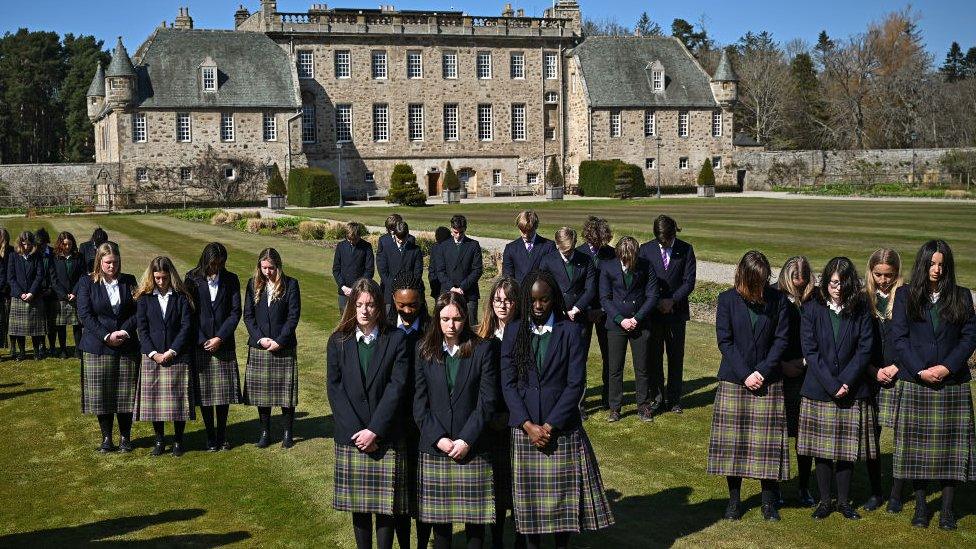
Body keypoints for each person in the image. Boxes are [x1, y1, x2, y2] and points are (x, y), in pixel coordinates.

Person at [500, 270, 614, 548]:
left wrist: (548, 426)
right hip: (525, 431)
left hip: (560, 430)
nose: (538, 306)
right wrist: (528, 425)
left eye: (545, 300)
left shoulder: (571, 332)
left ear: (555, 299)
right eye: (533, 300)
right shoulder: (514, 331)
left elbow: (576, 384)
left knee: (562, 507)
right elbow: (508, 383)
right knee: (530, 510)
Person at [891, 240, 976, 530]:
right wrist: (919, 370)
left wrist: (947, 367)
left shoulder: (962, 296)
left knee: (951, 452)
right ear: (923, 264)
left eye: (942, 264)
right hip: (916, 381)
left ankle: (949, 510)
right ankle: (921, 507)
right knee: (917, 451)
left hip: (952, 383)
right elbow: (899, 338)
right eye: (932, 263)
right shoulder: (905, 295)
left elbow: (969, 337)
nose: (937, 269)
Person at [326, 278, 409, 549]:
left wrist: (375, 430)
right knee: (359, 508)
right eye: (359, 304)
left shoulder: (395, 339)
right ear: (352, 306)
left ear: (379, 307)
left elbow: (397, 388)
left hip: (383, 435)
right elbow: (335, 389)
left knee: (386, 508)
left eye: (370, 304)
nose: (364, 310)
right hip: (351, 436)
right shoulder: (338, 340)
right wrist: (357, 432)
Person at [708, 251, 790, 522]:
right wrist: (745, 374)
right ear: (743, 277)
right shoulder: (726, 300)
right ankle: (734, 501)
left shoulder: (778, 301)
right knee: (734, 446)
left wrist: (762, 372)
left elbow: (781, 340)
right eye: (755, 282)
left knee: (767, 445)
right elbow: (725, 341)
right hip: (735, 379)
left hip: (768, 380)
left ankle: (768, 503)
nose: (760, 288)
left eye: (764, 281)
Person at [414, 292, 497, 549]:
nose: (451, 325)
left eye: (458, 319)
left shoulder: (483, 350)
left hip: (472, 448)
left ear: (466, 318)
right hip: (436, 449)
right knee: (441, 528)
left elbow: (487, 401)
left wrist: (465, 439)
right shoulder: (424, 350)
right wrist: (439, 439)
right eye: (446, 319)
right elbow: (419, 404)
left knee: (475, 526)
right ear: (437, 318)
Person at [798, 257, 877, 521]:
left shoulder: (862, 307)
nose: (838, 287)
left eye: (843, 282)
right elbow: (810, 349)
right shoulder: (812, 306)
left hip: (852, 388)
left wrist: (846, 381)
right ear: (826, 280)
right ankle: (823, 501)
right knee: (821, 450)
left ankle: (843, 502)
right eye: (833, 282)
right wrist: (833, 384)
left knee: (846, 451)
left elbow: (865, 348)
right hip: (820, 387)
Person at [76, 242, 140, 452]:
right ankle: (106, 439)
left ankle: (125, 438)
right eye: (108, 262)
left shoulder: (129, 281)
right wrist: (106, 335)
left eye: (115, 262)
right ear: (100, 262)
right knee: (102, 396)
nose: (112, 266)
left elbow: (139, 311)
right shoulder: (87, 282)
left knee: (125, 394)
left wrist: (124, 331)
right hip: (97, 346)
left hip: (126, 345)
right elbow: (85, 314)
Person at [477, 277, 525, 549]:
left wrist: (514, 415)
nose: (503, 305)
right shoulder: (482, 336)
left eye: (508, 300)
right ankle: (494, 540)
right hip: (489, 421)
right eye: (498, 300)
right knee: (493, 485)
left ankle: (520, 538)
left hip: (517, 419)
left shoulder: (524, 334)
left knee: (517, 484)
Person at [387, 271, 433, 549]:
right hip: (394, 422)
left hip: (424, 422)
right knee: (400, 495)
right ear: (392, 299)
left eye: (412, 305)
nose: (406, 311)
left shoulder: (431, 330)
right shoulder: (384, 330)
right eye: (401, 305)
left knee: (423, 493)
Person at [134, 256, 195, 457]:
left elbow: (186, 327)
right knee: (154, 403)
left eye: (165, 278)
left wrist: (172, 351)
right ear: (152, 276)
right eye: (157, 278)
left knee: (178, 401)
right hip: (153, 356)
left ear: (171, 276)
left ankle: (178, 441)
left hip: (176, 355)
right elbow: (142, 328)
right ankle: (159, 441)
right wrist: (153, 353)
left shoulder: (181, 296)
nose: (161, 282)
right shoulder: (144, 297)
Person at [185, 242, 242, 452]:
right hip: (200, 345)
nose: (216, 268)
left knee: (223, 394)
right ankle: (210, 436)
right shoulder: (191, 278)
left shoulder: (231, 279)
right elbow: (188, 313)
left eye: (219, 264)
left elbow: (235, 312)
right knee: (206, 395)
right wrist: (202, 339)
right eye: (212, 264)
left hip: (223, 344)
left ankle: (222, 434)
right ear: (205, 261)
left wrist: (220, 337)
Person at [243, 248, 301, 449]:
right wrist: (260, 339)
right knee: (262, 394)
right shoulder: (253, 284)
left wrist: (280, 340)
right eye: (264, 267)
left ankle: (287, 434)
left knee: (286, 395)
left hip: (283, 347)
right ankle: (265, 433)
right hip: (260, 347)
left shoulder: (291, 284)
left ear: (278, 266)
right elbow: (248, 316)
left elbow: (293, 316)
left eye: (271, 268)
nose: (267, 271)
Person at [640, 214, 696, 414]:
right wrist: (657, 303)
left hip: (676, 311)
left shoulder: (686, 249)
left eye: (669, 239)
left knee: (675, 357)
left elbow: (689, 281)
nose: (665, 243)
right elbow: (643, 281)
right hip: (654, 313)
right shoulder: (645, 250)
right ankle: (656, 397)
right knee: (654, 357)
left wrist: (672, 300)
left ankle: (674, 399)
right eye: (662, 240)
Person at [863, 249, 905, 513]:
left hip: (900, 373)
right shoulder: (862, 298)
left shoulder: (907, 297)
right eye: (878, 274)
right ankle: (876, 491)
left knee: (903, 438)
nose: (883, 280)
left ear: (897, 274)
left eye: (888, 275)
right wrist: (871, 369)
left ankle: (897, 494)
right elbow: (855, 342)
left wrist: (898, 366)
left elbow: (914, 339)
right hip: (870, 376)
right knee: (871, 438)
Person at [600, 236, 658, 422]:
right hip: (616, 325)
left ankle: (644, 406)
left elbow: (652, 296)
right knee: (615, 368)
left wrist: (637, 318)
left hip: (640, 323)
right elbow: (605, 298)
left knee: (642, 368)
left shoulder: (646, 267)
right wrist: (620, 319)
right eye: (623, 258)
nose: (626, 262)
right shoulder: (608, 267)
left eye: (630, 259)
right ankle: (615, 407)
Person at [775, 256, 816, 507]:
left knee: (805, 435)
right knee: (778, 435)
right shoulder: (773, 296)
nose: (798, 290)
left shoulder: (815, 299)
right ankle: (777, 487)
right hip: (778, 371)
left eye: (802, 285)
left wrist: (805, 362)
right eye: (794, 285)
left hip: (806, 372)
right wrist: (780, 364)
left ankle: (803, 486)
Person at [576, 216, 615, 409]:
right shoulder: (578, 253)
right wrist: (588, 309)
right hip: (583, 312)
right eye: (596, 240)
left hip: (605, 312)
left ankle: (608, 398)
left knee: (609, 356)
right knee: (580, 358)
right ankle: (580, 402)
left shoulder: (611, 253)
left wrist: (602, 309)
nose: (599, 243)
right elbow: (577, 286)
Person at [432, 215, 483, 326]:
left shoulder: (473, 245)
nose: (458, 235)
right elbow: (440, 271)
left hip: (468, 293)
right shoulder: (443, 246)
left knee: (471, 326)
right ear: (451, 229)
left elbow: (477, 270)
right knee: (447, 326)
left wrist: (462, 288)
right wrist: (452, 288)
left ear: (465, 229)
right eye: (455, 232)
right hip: (447, 291)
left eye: (461, 232)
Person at [7, 231, 48, 360]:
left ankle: (36, 352)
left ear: (33, 245)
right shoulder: (13, 256)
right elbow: (11, 277)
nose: (26, 247)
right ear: (20, 243)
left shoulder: (37, 256)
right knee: (18, 329)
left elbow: (40, 275)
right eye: (23, 244)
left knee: (35, 328)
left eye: (29, 244)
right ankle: (22, 352)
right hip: (18, 296)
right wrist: (21, 293)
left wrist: (31, 292)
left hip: (34, 296)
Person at [49, 231, 85, 359]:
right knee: (61, 325)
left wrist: (74, 293)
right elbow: (53, 280)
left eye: (70, 244)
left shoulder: (78, 257)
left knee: (77, 325)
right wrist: (64, 295)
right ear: (60, 244)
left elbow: (82, 276)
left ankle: (78, 349)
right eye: (65, 244)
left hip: (76, 295)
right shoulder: (54, 258)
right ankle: (63, 349)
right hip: (60, 297)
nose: (67, 247)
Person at [377, 220, 424, 311]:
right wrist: (394, 287)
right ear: (394, 235)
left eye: (404, 238)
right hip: (390, 293)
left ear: (408, 234)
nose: (401, 241)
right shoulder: (386, 249)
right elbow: (383, 271)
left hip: (410, 294)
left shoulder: (415, 250)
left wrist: (409, 287)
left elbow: (418, 272)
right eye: (399, 238)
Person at [333, 221, 375, 313]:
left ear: (359, 236)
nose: (352, 242)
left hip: (360, 291)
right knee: (344, 320)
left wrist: (357, 288)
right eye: (349, 240)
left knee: (359, 318)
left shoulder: (366, 247)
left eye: (354, 239)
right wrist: (343, 286)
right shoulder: (341, 246)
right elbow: (336, 269)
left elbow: (369, 270)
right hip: (344, 291)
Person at [502, 210, 554, 283]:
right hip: (519, 292)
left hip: (540, 291)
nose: (526, 235)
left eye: (529, 231)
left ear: (536, 227)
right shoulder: (511, 248)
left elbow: (552, 274)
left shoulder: (548, 246)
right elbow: (507, 276)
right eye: (523, 231)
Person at [35, 228, 58, 355]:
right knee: (39, 321)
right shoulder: (35, 253)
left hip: (51, 292)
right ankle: (41, 346)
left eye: (42, 244)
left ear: (46, 242)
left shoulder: (53, 254)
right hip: (38, 292)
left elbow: (56, 274)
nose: (40, 247)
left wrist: (50, 289)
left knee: (51, 321)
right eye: (38, 245)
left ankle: (53, 346)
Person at [1, 228, 14, 358]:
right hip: (2, 289)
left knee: (9, 321)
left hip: (8, 291)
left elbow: (10, 272)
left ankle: (13, 346)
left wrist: (6, 286)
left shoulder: (11, 251)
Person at [428, 226, 451, 300]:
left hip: (440, 284)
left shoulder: (435, 247)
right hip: (440, 285)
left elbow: (432, 268)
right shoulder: (436, 247)